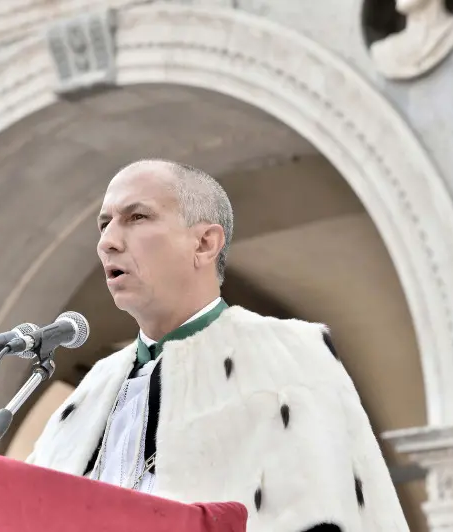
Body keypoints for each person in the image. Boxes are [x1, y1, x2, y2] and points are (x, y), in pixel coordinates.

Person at [26, 159, 408, 531]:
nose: (107, 242)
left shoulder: (289, 356)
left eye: (137, 217)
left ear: (205, 243)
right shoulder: (95, 388)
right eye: (104, 224)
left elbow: (328, 510)